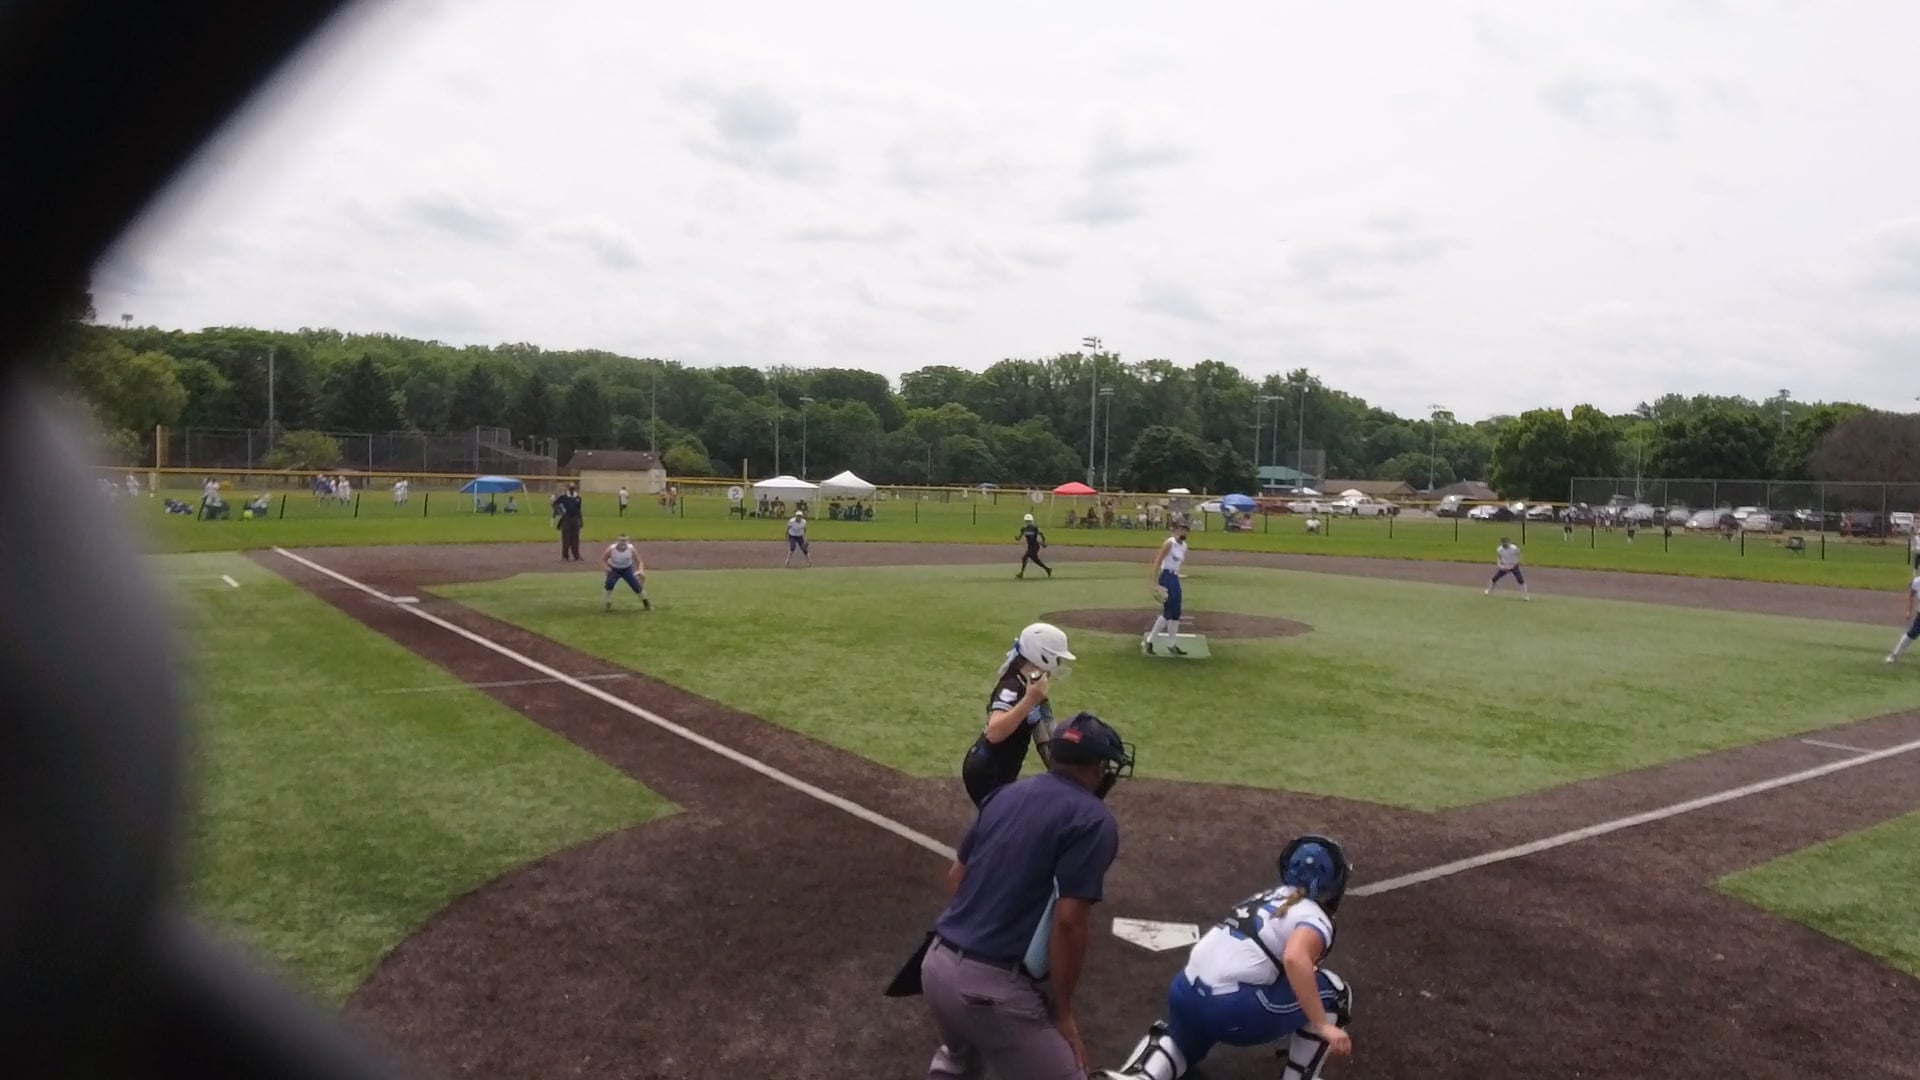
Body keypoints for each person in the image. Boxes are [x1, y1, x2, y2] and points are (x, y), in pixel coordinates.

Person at [919, 711, 1134, 1080]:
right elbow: (1069, 923)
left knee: (960, 1064)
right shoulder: (1092, 819)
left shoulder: (1004, 795)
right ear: (1098, 767)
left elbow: (956, 878)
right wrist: (1063, 1013)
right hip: (988, 994)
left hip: (936, 969)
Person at [1096, 837, 1354, 1080]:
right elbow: (1295, 959)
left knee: (1185, 1042)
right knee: (1334, 992)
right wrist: (1322, 1024)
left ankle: (1140, 1077)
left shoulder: (1267, 896)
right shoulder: (1313, 914)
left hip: (1184, 994)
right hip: (1232, 1009)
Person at [961, 623, 1073, 807]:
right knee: (1005, 818)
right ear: (1043, 655)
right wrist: (1030, 700)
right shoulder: (1012, 686)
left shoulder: (1033, 685)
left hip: (1003, 770)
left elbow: (1044, 733)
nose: (1059, 664)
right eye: (1058, 658)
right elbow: (994, 733)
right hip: (987, 771)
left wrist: (1066, 771)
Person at [1142, 516, 1191, 655]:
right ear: (1175, 529)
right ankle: (1150, 641)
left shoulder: (1184, 546)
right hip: (1166, 577)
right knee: (1168, 612)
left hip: (1174, 578)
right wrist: (1154, 583)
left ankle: (1172, 644)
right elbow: (1158, 562)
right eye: (1181, 529)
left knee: (1176, 612)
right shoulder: (1170, 543)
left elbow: (1176, 565)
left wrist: (1178, 576)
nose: (1184, 531)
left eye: (1185, 529)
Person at [602, 534, 651, 612]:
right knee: (609, 584)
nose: (623, 543)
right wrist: (606, 568)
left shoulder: (631, 549)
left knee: (636, 586)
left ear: (628, 541)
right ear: (617, 541)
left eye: (625, 541)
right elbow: (603, 559)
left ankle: (646, 603)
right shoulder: (611, 549)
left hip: (627, 569)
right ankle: (608, 602)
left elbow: (639, 561)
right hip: (614, 569)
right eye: (621, 540)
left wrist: (641, 570)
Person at [1885, 569, 1920, 664]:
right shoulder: (1917, 582)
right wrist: (1909, 610)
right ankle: (1894, 655)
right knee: (1911, 634)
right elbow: (1911, 595)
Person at [553, 483, 584, 561]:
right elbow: (555, 504)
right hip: (566, 519)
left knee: (575, 538)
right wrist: (560, 511)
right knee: (566, 538)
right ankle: (565, 556)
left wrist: (581, 521)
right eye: (571, 488)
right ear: (568, 489)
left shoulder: (578, 498)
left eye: (573, 488)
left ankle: (576, 555)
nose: (572, 490)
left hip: (575, 519)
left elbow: (579, 510)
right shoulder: (563, 497)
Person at [1016, 513, 1052, 579]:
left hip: (1035, 546)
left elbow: (1041, 534)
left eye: (1029, 521)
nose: (1028, 522)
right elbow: (1020, 536)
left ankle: (1021, 573)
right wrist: (1017, 538)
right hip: (1030, 546)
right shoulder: (1023, 528)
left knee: (1025, 557)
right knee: (1035, 560)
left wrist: (1043, 542)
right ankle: (1047, 569)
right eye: (1027, 521)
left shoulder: (1035, 528)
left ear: (1032, 521)